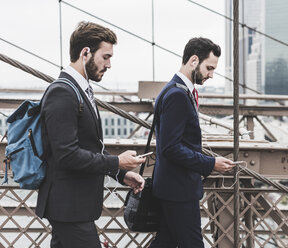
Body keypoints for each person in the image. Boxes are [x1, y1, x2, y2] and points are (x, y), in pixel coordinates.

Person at [35, 21, 146, 248]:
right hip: (69, 207)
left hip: (74, 207)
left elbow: (90, 147)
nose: (109, 64)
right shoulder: (62, 92)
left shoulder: (80, 89)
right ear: (85, 53)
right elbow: (67, 155)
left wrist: (120, 173)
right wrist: (117, 161)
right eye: (105, 57)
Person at [149, 37, 236, 248]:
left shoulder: (176, 90)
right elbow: (171, 147)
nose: (211, 75)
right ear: (194, 60)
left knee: (165, 243)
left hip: (172, 187)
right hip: (178, 190)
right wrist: (210, 163)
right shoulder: (178, 95)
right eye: (209, 68)